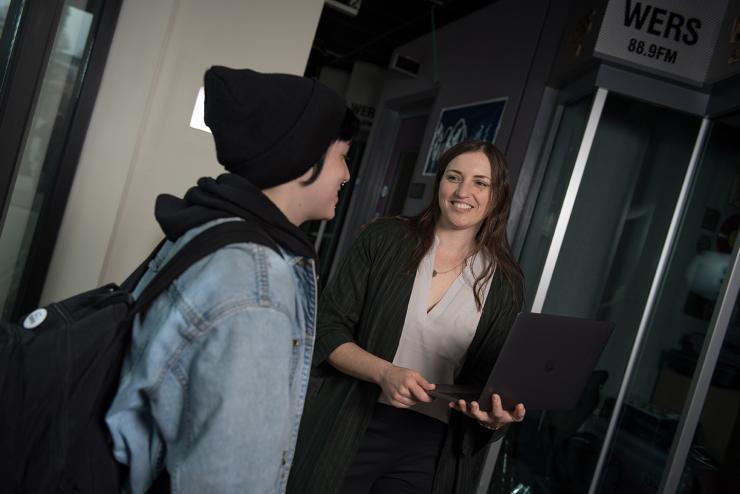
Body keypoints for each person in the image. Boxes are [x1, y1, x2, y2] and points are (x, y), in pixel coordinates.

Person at [105, 66, 358, 493]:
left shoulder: (210, 227)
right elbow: (226, 480)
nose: (348, 175)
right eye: (342, 156)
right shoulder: (258, 282)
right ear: (304, 158)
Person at [287, 139, 526, 494]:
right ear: (439, 183)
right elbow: (326, 328)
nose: (463, 191)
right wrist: (385, 372)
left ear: (498, 196)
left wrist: (494, 419)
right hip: (351, 423)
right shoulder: (384, 239)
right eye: (453, 177)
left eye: (481, 182)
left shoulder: (506, 283)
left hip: (432, 447)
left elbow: (489, 380)